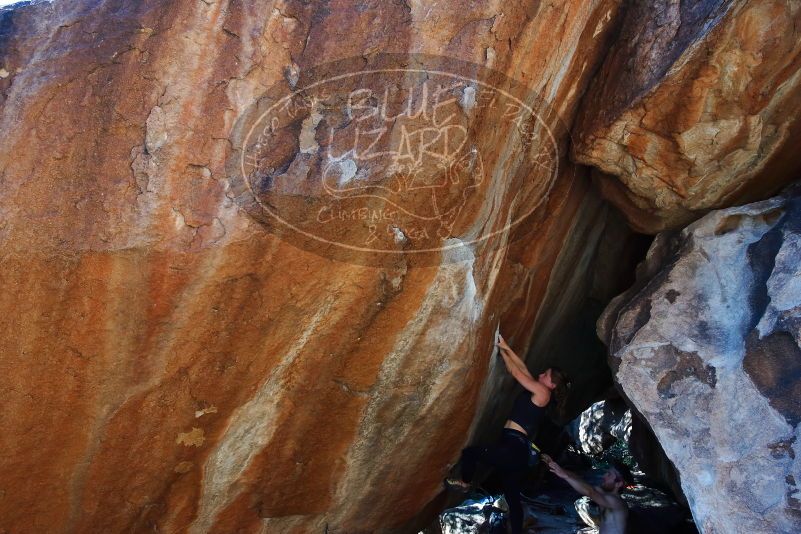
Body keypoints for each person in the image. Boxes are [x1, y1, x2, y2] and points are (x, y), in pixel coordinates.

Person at [444, 333, 570, 534]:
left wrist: (503, 354)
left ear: (552, 385)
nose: (540, 375)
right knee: (512, 499)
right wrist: (505, 347)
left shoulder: (543, 393)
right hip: (514, 450)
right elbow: (523, 369)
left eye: (545, 375)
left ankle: (465, 482)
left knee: (471, 453)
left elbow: (516, 373)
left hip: (513, 447)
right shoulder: (539, 389)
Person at [542, 455, 633, 534]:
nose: (604, 476)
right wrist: (558, 468)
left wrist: (565, 476)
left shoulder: (616, 502)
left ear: (618, 484)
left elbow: (589, 491)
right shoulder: (605, 494)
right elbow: (581, 481)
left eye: (609, 475)